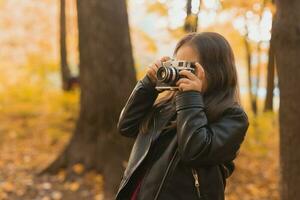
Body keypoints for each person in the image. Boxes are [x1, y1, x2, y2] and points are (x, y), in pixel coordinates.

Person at [115, 32, 249, 200]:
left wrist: (190, 97)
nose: (180, 73)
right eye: (178, 65)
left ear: (215, 71)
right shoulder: (168, 105)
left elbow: (195, 151)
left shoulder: (232, 117)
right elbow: (126, 126)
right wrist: (148, 84)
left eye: (189, 67)